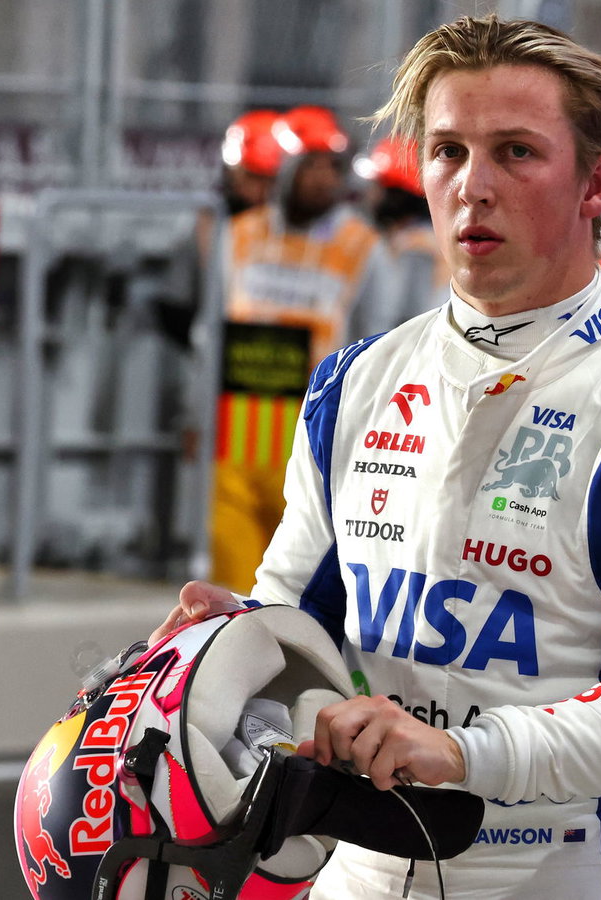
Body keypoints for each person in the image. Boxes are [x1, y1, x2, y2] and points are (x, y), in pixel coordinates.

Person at [155, 15, 601, 898]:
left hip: (558, 874)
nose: (473, 186)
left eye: (517, 153)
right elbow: (297, 623)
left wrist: (464, 754)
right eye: (448, 151)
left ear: (596, 182)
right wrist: (234, 638)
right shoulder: (355, 381)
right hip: (353, 873)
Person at [212, 105, 390, 594]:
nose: (323, 178)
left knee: (298, 586)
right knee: (231, 581)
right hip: (238, 425)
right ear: (286, 168)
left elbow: (380, 343)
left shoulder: (363, 246)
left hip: (315, 426)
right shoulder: (238, 234)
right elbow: (212, 331)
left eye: (331, 167)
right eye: (311, 165)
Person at [354, 134, 449, 333]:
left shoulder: (417, 247)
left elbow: (407, 320)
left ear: (396, 196)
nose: (370, 195)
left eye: (377, 186)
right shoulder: (409, 237)